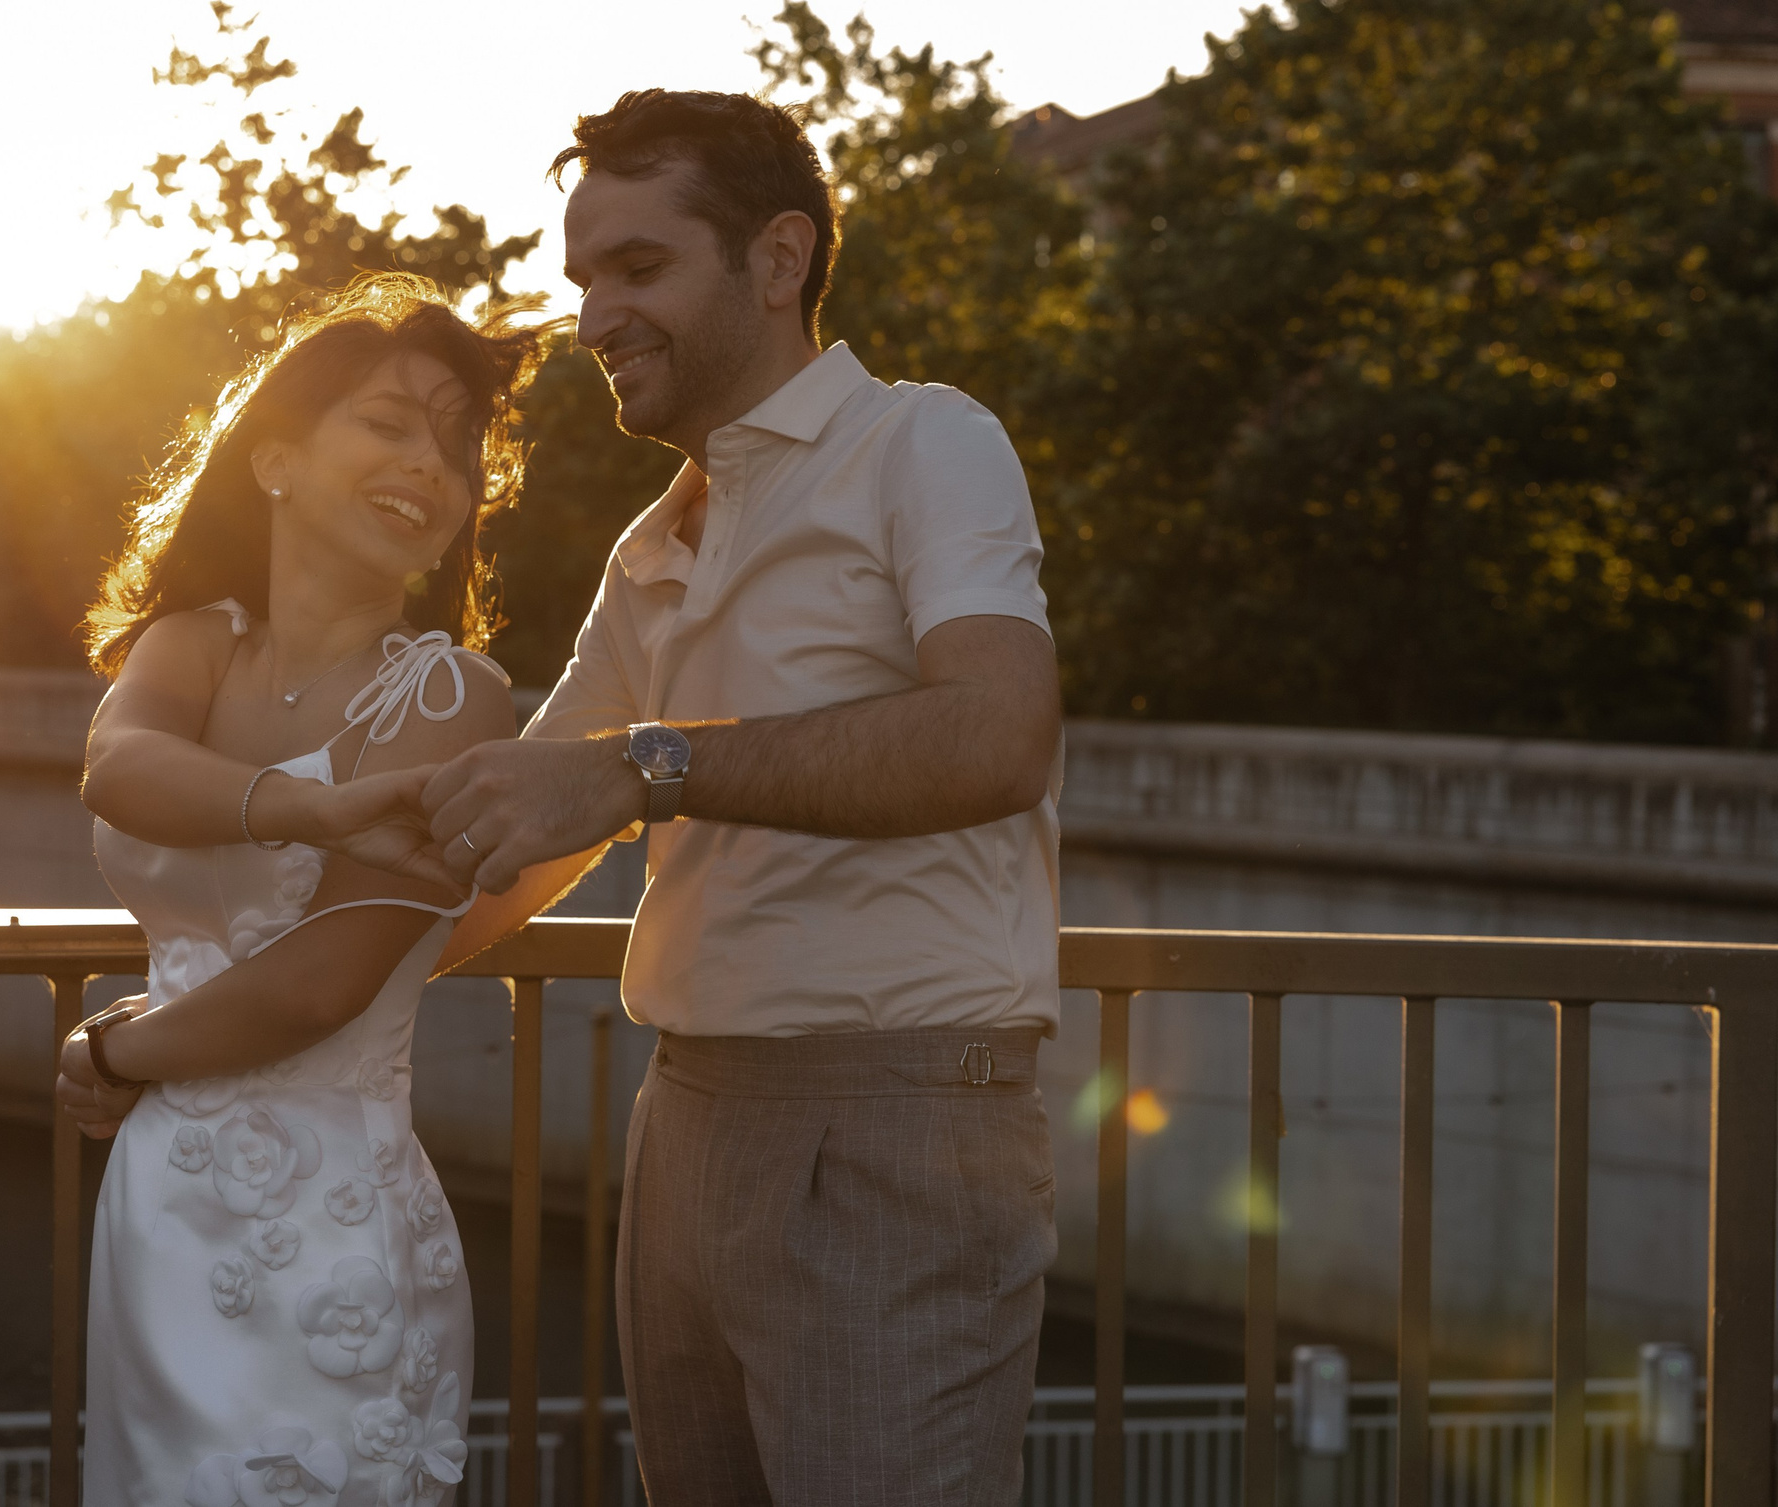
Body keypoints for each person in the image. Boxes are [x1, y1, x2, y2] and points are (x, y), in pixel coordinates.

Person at [426, 89, 1065, 1505]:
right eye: (583, 276)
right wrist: (236, 1010)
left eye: (638, 267)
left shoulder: (925, 442)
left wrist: (645, 764)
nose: (594, 318)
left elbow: (998, 733)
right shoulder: (652, 540)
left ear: (778, 261)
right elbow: (514, 841)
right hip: (689, 1116)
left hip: (893, 1123)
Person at [55, 276, 537, 1507]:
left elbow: (321, 980)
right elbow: (120, 770)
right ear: (273, 455)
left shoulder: (452, 696)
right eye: (389, 423)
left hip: (327, 1228)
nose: (432, 465)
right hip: (162, 1207)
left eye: (457, 442)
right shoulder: (193, 641)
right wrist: (310, 806)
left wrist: (118, 1053)